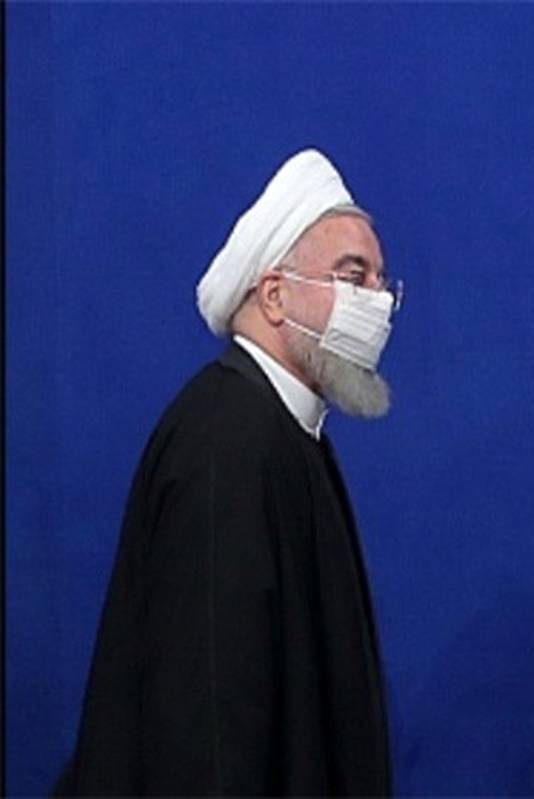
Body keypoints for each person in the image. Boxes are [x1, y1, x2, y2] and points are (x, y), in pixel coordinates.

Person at [54, 149, 399, 795]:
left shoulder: (287, 432)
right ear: (274, 295)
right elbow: (208, 723)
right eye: (353, 276)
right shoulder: (227, 443)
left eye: (381, 283)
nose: (376, 304)